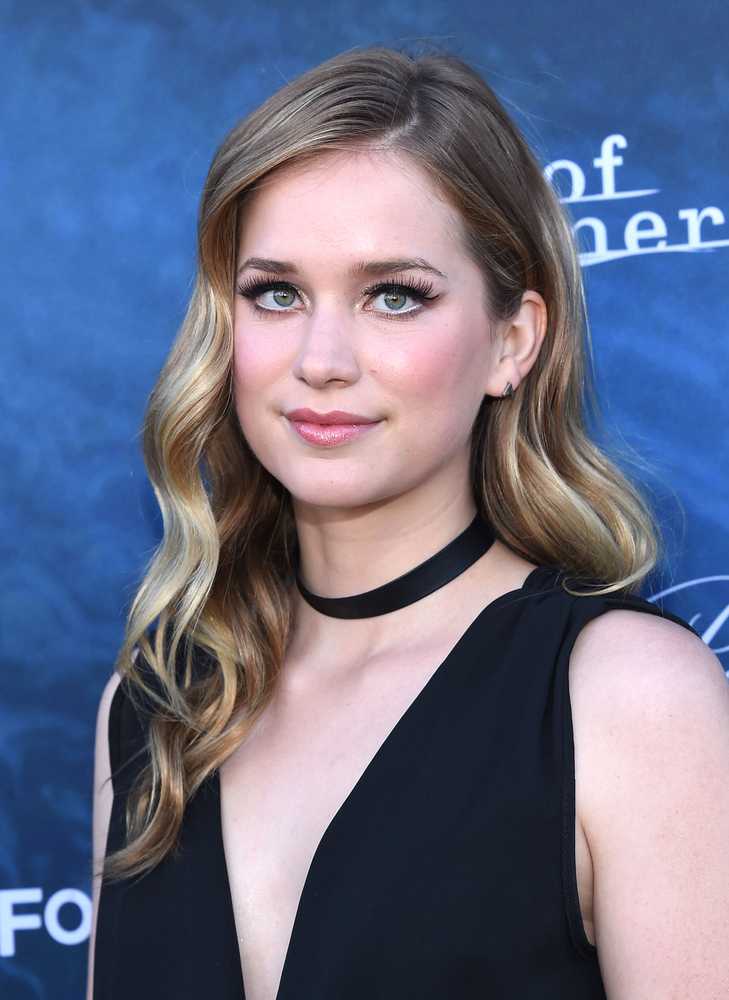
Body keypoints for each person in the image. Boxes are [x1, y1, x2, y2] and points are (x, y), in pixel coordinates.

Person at [86, 44, 729, 1000]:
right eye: (276, 293)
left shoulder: (624, 697)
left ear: (513, 341)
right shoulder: (156, 708)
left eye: (394, 296)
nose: (322, 360)